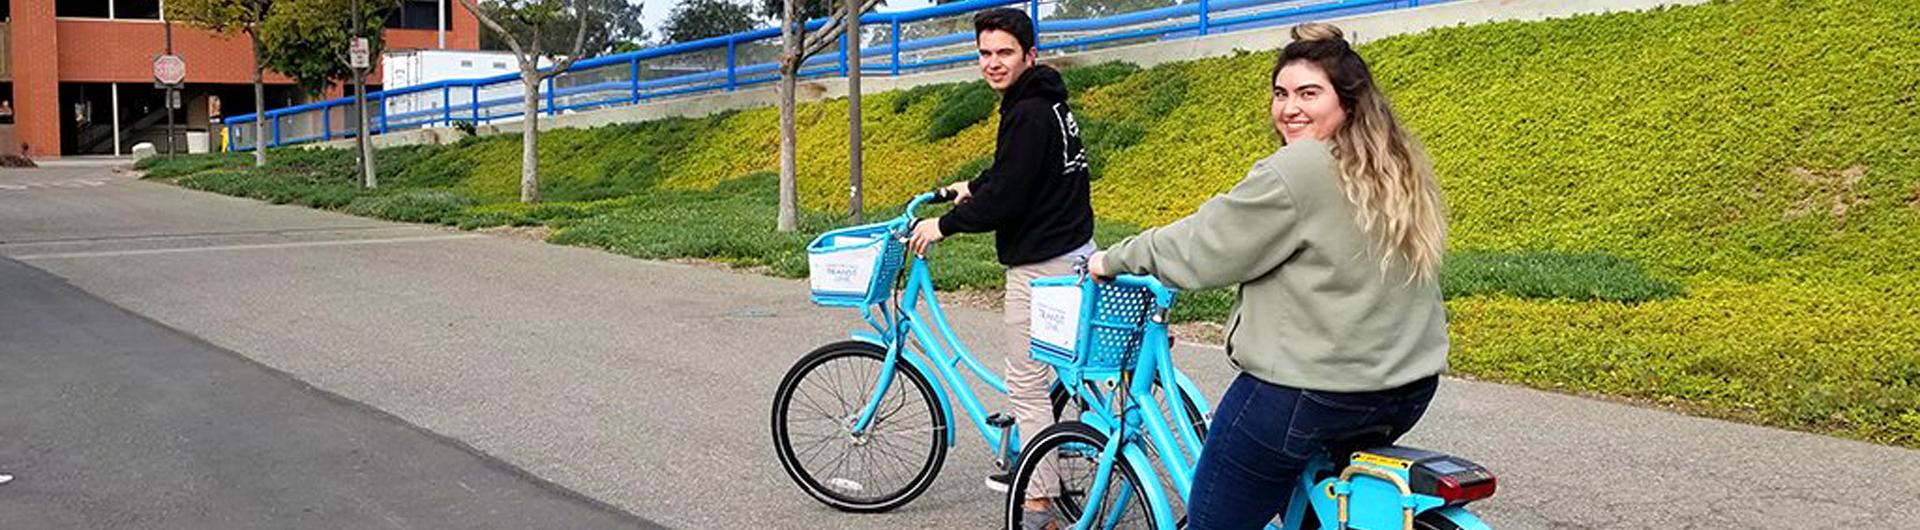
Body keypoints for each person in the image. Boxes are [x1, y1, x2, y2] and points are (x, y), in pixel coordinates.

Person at [1090, 22, 1450, 529]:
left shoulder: (1300, 166)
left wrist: (1116, 258)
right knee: (1317, 508)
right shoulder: (1394, 164)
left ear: (1347, 102)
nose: (1289, 108)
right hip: (1403, 386)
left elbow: (1206, 244)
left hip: (1311, 392)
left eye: (1309, 93)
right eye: (1281, 93)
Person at [904, 6, 1095, 524]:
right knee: (1057, 374)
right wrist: (973, 186)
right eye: (985, 53)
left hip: (1042, 263)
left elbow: (1008, 197)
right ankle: (1045, 453)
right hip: (1072, 249)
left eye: (1004, 53)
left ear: (1030, 55)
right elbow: (1017, 173)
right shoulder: (1044, 102)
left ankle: (1038, 501)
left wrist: (943, 224)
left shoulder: (1028, 112)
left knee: (1026, 385)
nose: (992, 63)